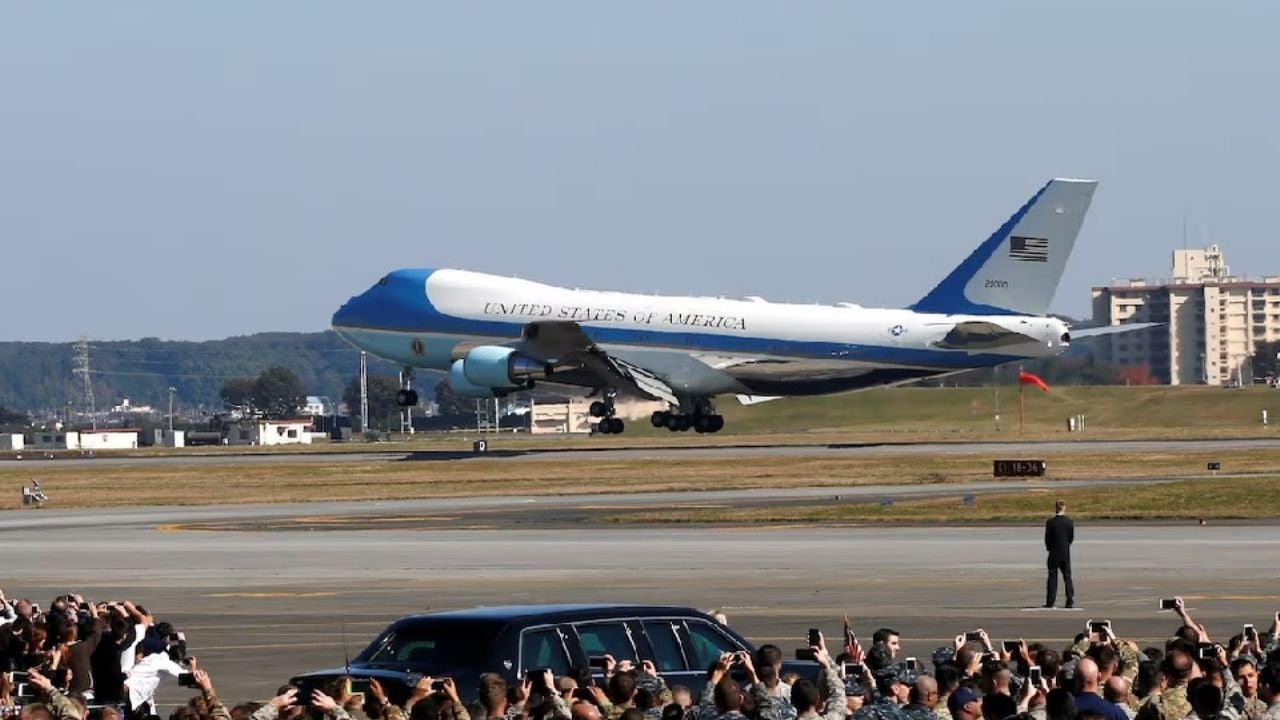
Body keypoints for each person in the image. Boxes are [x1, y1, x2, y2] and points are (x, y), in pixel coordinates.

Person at [1044, 499, 1075, 609]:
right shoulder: (1069, 522)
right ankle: (1070, 600)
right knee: (1067, 577)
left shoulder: (1050, 522)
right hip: (1065, 553)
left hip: (1053, 552)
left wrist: (1049, 548)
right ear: (1064, 508)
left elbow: (1047, 539)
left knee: (1052, 577)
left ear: (1056, 508)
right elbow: (1071, 538)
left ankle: (1050, 601)